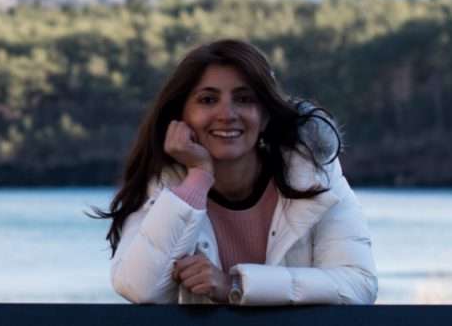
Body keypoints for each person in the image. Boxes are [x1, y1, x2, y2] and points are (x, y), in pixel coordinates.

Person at [96, 39, 377, 305]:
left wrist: (235, 285)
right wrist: (198, 178)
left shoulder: (314, 174)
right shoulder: (167, 186)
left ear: (266, 114)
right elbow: (137, 287)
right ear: (181, 116)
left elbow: (357, 284)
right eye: (207, 100)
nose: (227, 114)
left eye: (244, 99)